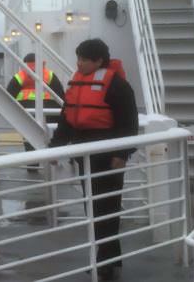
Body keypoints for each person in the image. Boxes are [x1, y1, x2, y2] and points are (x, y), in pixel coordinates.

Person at [49, 39, 139, 282]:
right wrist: (55, 148)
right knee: (93, 207)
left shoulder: (117, 86)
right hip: (85, 156)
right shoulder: (78, 82)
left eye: (84, 59)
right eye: (78, 58)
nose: (79, 63)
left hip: (108, 158)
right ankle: (110, 256)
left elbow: (129, 122)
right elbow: (66, 119)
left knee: (106, 207)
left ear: (99, 61)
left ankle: (106, 262)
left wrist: (122, 154)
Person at [6, 53, 66, 155]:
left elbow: (9, 94)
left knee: (29, 135)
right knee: (51, 134)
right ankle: (53, 158)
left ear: (24, 63)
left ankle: (32, 163)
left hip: (27, 110)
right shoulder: (49, 74)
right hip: (49, 109)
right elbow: (60, 94)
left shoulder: (20, 76)